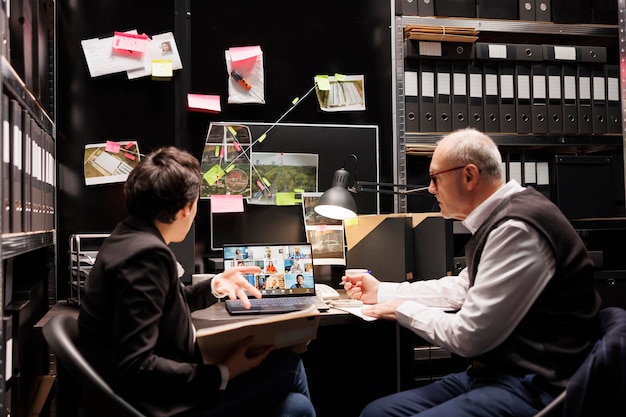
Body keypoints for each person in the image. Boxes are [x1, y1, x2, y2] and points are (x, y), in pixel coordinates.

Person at [342, 128, 601, 417]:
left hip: (534, 385)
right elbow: (461, 289)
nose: (430, 189)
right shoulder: (502, 219)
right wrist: (382, 291)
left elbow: (468, 336)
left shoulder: (517, 229)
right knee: (377, 412)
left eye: (435, 178)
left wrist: (403, 309)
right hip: (496, 375)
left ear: (468, 176)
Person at [78, 147, 315, 417]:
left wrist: (215, 285)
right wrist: (224, 372)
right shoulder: (147, 256)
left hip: (143, 395)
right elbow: (137, 366)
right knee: (290, 365)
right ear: (185, 209)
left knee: (297, 408)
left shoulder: (125, 238)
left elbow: (169, 302)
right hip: (158, 405)